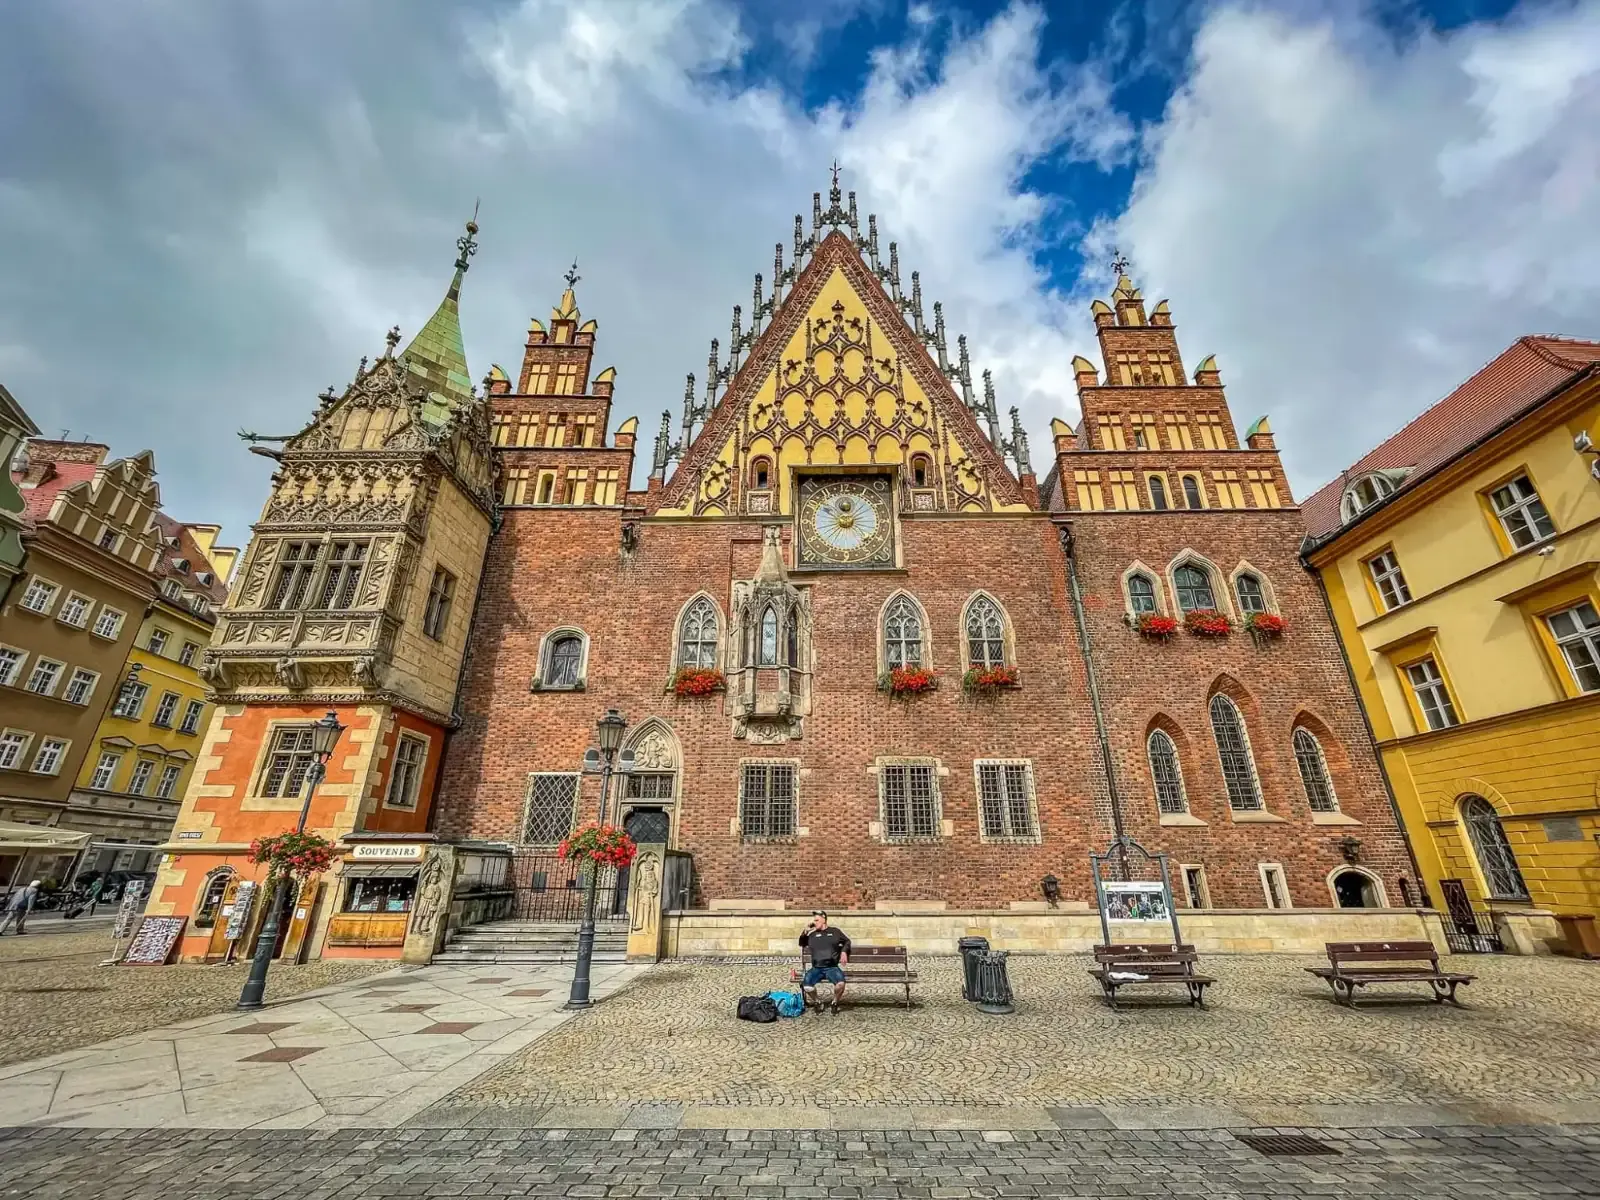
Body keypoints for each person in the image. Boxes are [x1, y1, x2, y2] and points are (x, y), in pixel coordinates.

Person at [798, 910, 851, 1014]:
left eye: (817, 920)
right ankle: (817, 1002)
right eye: (814, 920)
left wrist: (844, 952)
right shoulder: (812, 935)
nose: (815, 923)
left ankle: (834, 1002)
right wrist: (805, 931)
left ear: (824, 919)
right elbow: (801, 943)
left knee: (840, 984)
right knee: (807, 986)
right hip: (816, 968)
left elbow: (847, 941)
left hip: (832, 967)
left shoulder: (835, 932)